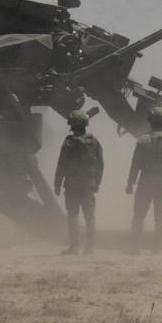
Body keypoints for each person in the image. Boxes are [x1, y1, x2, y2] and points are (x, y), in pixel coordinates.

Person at [126, 106, 162, 254]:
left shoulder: (144, 139)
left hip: (146, 182)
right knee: (161, 216)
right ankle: (157, 249)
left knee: (139, 215)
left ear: (151, 120)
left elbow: (136, 164)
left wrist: (130, 183)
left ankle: (134, 248)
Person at [53, 109, 104, 255]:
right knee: (89, 215)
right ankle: (90, 248)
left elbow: (61, 164)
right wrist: (97, 182)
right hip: (89, 184)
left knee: (73, 214)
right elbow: (101, 164)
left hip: (72, 184)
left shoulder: (69, 142)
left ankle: (74, 247)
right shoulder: (94, 142)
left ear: (72, 125)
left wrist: (57, 183)